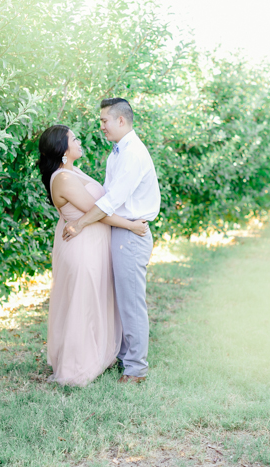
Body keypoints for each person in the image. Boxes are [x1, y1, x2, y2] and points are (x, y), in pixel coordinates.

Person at [37, 124, 149, 387]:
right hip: (81, 249)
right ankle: (77, 366)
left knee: (95, 299)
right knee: (83, 303)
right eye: (73, 138)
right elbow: (96, 210)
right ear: (63, 149)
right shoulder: (63, 178)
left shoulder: (72, 171)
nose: (79, 141)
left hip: (92, 245)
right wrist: (131, 225)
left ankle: (99, 354)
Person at [63, 98, 160, 384]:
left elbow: (112, 201)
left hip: (132, 234)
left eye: (105, 120)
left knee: (131, 302)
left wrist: (79, 223)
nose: (101, 126)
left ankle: (135, 369)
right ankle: (124, 358)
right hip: (122, 231)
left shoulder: (132, 154)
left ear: (121, 120)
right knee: (120, 301)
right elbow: (107, 193)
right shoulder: (118, 152)